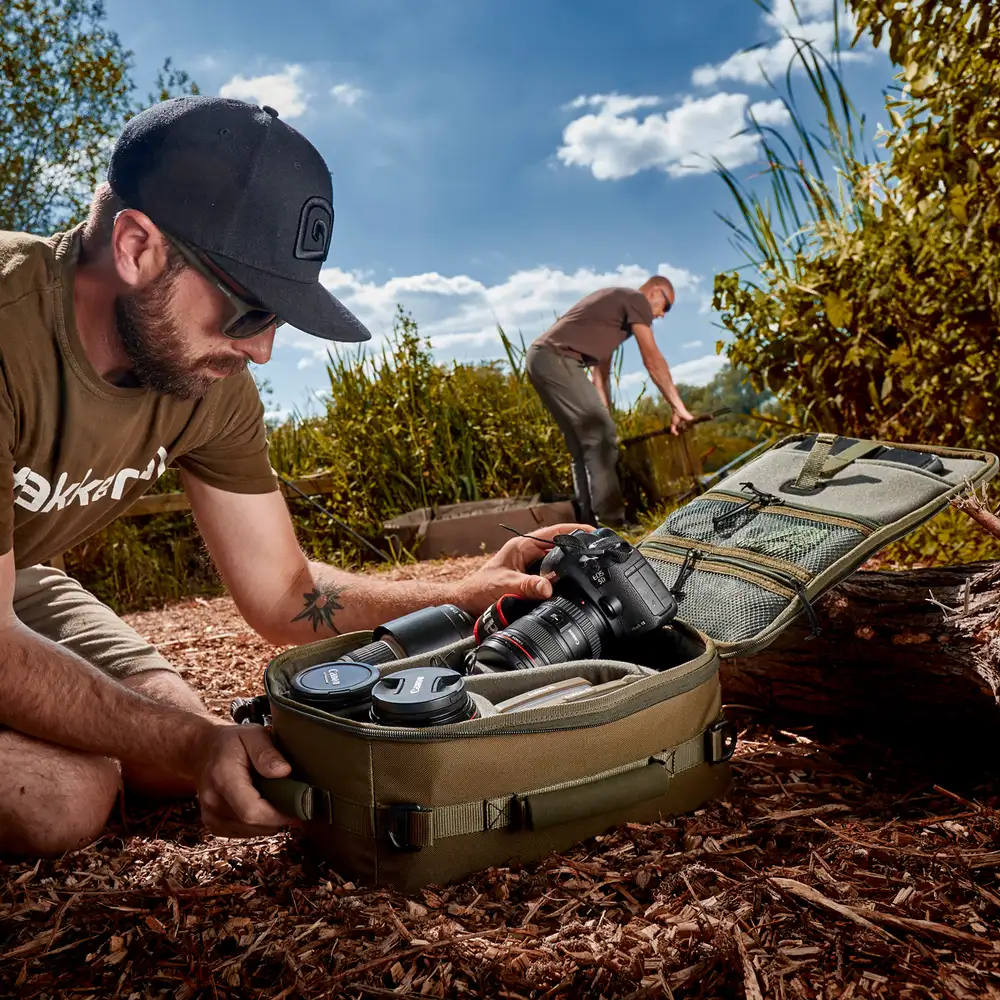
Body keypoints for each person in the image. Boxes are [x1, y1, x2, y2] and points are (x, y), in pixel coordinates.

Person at [0, 96, 587, 858]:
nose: (263, 351)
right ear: (138, 247)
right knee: (63, 799)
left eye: (279, 316)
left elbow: (284, 594)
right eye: (249, 311)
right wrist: (190, 744)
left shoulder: (205, 382)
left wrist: (463, 592)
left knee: (171, 736)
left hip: (19, 579)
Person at [526, 278, 695, 528]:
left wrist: (604, 412)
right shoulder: (636, 299)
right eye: (666, 306)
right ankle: (611, 522)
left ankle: (587, 524)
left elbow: (600, 373)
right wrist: (678, 407)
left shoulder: (612, 315)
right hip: (556, 358)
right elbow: (652, 358)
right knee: (601, 438)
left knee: (584, 445)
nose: (661, 315)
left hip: (540, 360)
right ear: (655, 293)